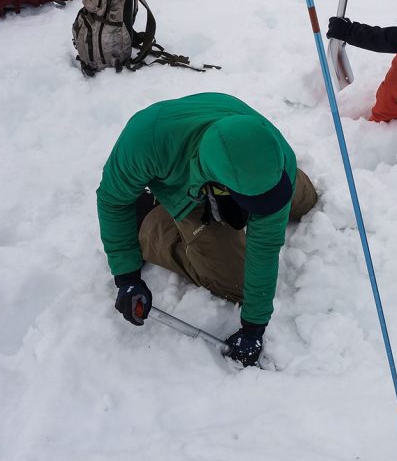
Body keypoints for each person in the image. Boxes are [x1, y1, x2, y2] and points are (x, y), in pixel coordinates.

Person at [96, 92, 318, 366]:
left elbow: (266, 244)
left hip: (246, 164)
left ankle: (262, 187)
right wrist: (127, 276)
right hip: (182, 181)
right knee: (236, 282)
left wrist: (254, 326)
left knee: (306, 200)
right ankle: (148, 218)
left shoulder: (279, 154)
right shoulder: (145, 141)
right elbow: (112, 200)